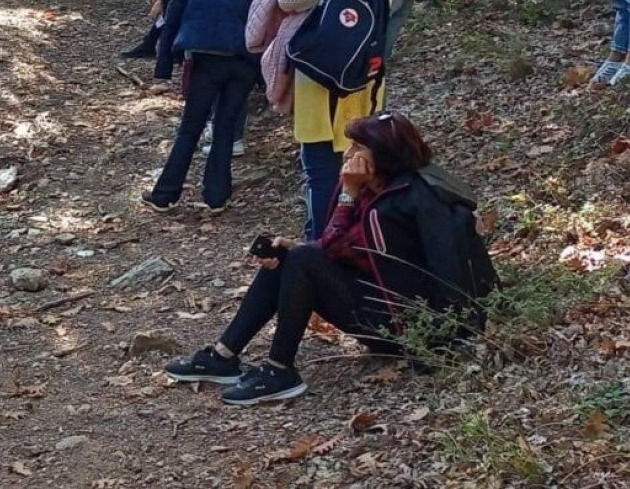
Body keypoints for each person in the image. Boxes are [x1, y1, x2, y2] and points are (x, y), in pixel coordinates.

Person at [163, 112, 492, 405]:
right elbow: (340, 248)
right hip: (398, 306)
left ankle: (280, 370)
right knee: (290, 256)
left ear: (382, 158)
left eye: (357, 150)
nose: (347, 156)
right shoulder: (389, 189)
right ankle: (224, 354)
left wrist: (347, 191)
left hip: (411, 331)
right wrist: (295, 244)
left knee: (303, 259)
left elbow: (333, 246)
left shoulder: (394, 205)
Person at [280, 0, 400, 241]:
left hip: (326, 78)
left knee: (319, 168)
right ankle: (340, 239)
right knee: (351, 163)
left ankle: (319, 246)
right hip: (365, 77)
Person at [144, 0, 267, 212]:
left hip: (202, 57)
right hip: (242, 60)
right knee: (226, 125)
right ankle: (216, 196)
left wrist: (163, 66)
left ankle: (166, 194)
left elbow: (170, 20)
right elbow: (266, 21)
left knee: (191, 126)